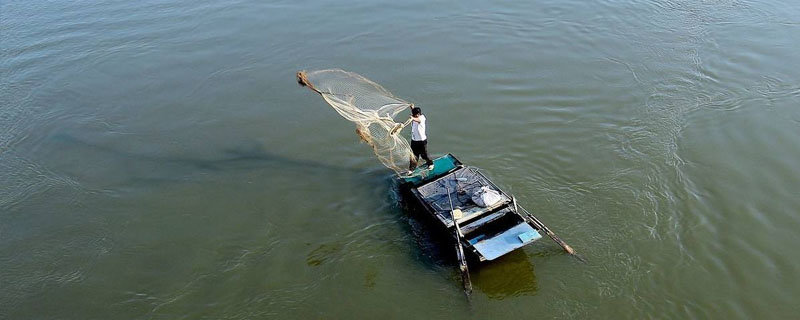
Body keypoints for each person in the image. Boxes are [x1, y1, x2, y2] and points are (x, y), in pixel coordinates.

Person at [408, 105, 433, 173]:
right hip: (414, 141)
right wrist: (412, 108)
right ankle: (411, 169)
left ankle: (430, 164)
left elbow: (417, 120)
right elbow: (414, 115)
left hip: (422, 141)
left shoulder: (422, 118)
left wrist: (412, 118)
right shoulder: (415, 116)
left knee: (424, 155)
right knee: (413, 156)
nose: (414, 116)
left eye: (415, 115)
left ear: (418, 114)